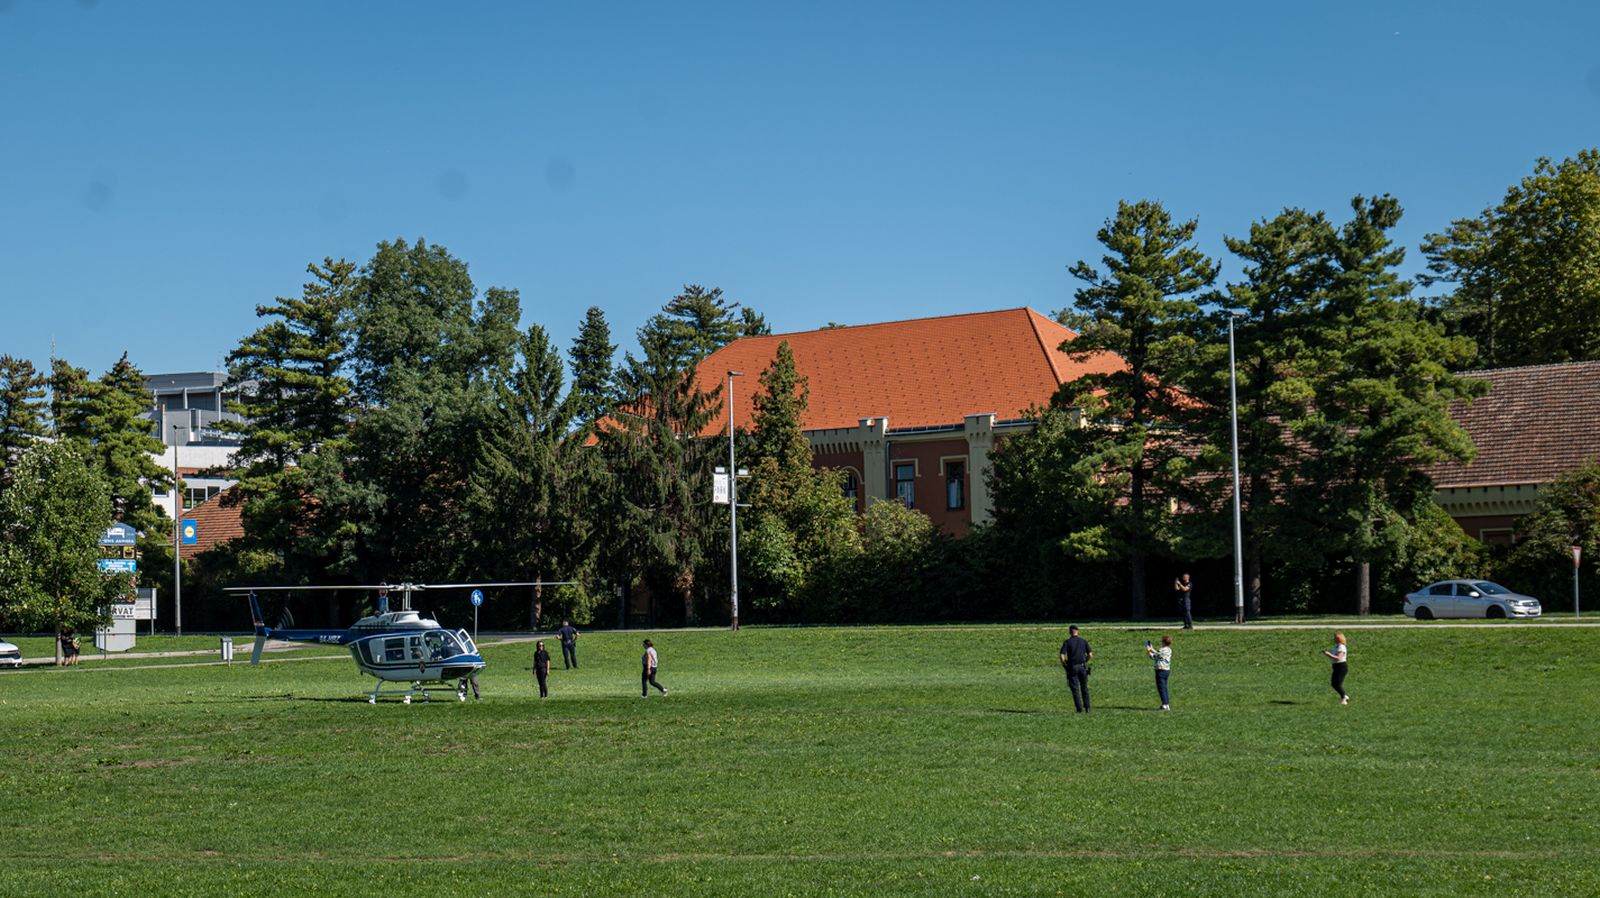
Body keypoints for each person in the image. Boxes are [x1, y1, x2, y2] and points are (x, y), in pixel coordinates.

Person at [1058, 626, 1092, 713]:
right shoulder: (1084, 641)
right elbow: (1090, 654)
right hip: (1083, 667)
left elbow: (1061, 656)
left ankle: (1079, 708)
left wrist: (1065, 665)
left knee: (1075, 688)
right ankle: (1087, 707)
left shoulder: (1067, 642)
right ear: (1078, 632)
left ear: (1070, 632)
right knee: (1084, 687)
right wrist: (1085, 661)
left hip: (1072, 667)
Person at [1146, 634, 1173, 711]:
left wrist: (1149, 651)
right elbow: (1159, 654)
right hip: (1166, 670)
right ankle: (1166, 704)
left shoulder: (1161, 650)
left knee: (1161, 688)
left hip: (1160, 671)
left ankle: (1164, 705)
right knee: (1164, 687)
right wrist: (1152, 649)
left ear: (1163, 642)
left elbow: (1153, 656)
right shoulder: (1169, 650)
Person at [1322, 632, 1349, 705]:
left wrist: (1328, 654)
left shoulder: (1341, 647)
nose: (1334, 639)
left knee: (1337, 684)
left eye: (1335, 638)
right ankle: (1344, 696)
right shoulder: (1336, 647)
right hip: (1336, 667)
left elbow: (1338, 658)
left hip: (1341, 667)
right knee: (1334, 684)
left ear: (1339, 639)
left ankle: (1344, 698)